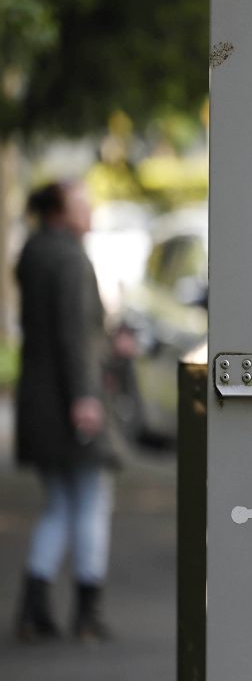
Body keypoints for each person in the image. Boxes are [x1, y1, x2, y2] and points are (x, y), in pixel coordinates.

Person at [13, 180, 116, 642]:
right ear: (59, 211)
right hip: (71, 401)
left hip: (37, 401)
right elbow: (75, 335)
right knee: (93, 501)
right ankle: (86, 611)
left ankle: (34, 604)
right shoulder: (71, 259)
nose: (90, 210)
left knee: (58, 504)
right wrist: (86, 397)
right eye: (82, 202)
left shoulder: (32, 253)